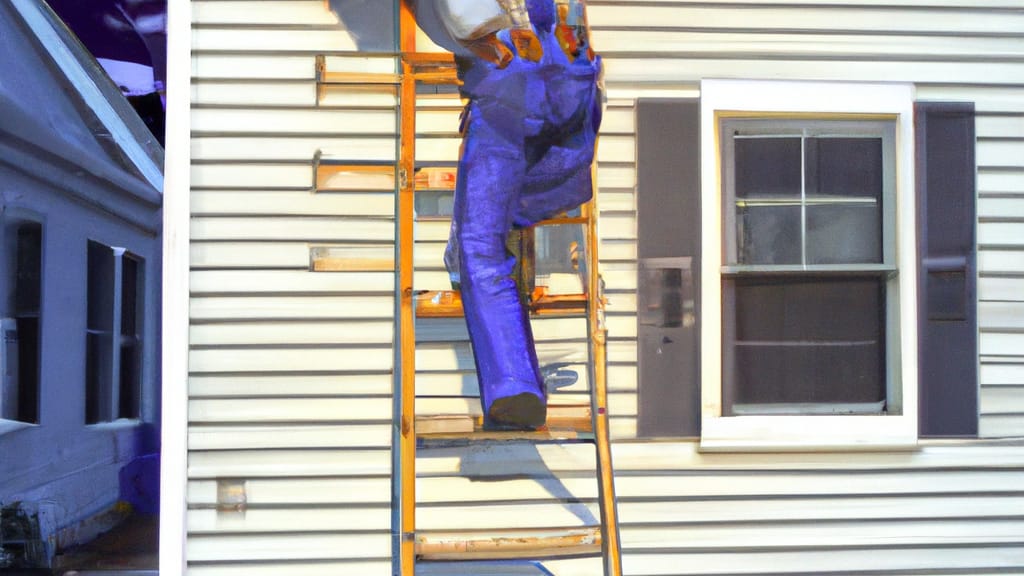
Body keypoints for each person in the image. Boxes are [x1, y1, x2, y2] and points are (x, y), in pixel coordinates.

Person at [416, 0, 603, 429]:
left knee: (478, 249)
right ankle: (515, 380)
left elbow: (472, 23)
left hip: (508, 100)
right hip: (571, 101)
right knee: (477, 241)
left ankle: (514, 383)